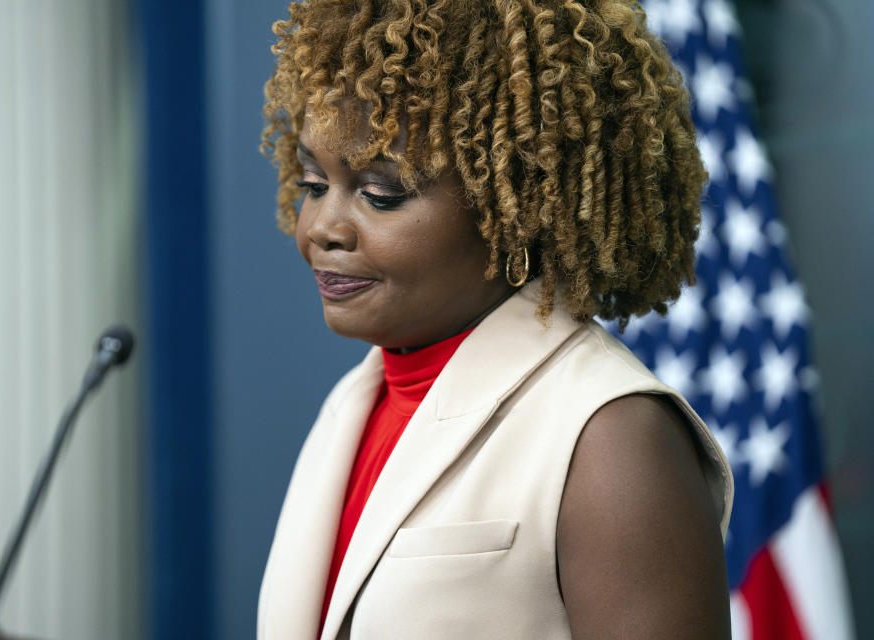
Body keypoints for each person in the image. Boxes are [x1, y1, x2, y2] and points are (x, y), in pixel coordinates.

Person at [257, 1, 734, 638]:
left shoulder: (610, 435)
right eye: (314, 184)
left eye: (381, 193)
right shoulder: (352, 405)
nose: (321, 228)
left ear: (517, 205)